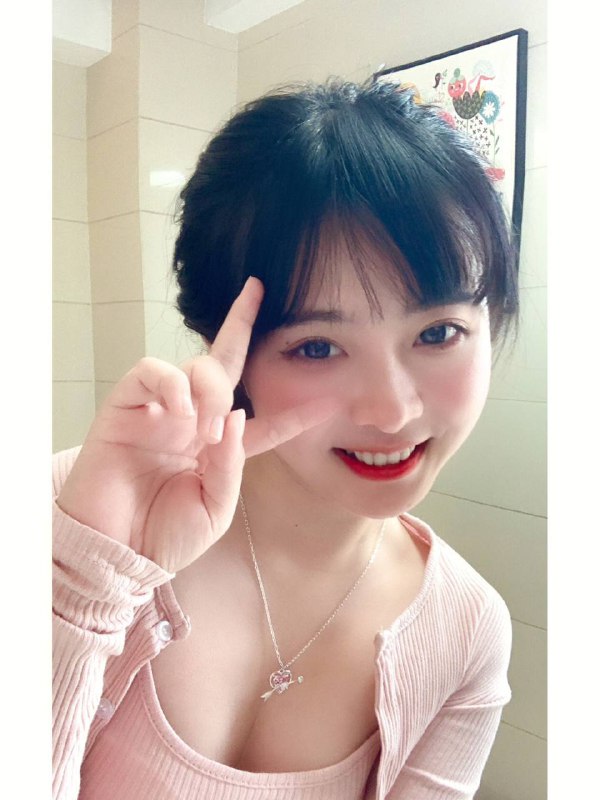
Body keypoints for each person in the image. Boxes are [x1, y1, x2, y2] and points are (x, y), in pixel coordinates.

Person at [52, 79, 517, 800]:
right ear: (226, 349)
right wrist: (83, 588)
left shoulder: (466, 628)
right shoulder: (73, 513)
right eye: (317, 347)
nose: (391, 411)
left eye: (438, 333)